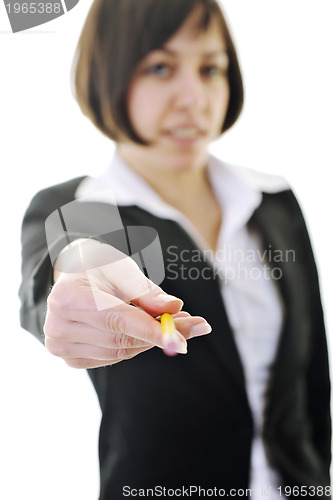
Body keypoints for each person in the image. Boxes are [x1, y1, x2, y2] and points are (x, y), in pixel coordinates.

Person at [19, 0, 331, 498]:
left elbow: (314, 380)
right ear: (107, 73)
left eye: (211, 68)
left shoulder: (273, 202)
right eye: (160, 67)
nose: (194, 97)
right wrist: (73, 274)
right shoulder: (85, 206)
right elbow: (58, 268)